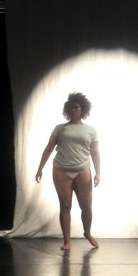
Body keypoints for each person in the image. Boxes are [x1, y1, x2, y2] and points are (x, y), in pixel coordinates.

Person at [35, 92, 100, 250]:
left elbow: (95, 152)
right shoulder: (60, 128)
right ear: (66, 110)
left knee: (86, 207)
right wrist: (40, 168)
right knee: (65, 205)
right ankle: (67, 241)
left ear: (82, 109)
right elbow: (49, 148)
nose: (73, 110)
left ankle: (87, 232)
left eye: (76, 107)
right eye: (70, 108)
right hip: (61, 170)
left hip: (82, 170)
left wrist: (98, 172)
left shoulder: (90, 130)